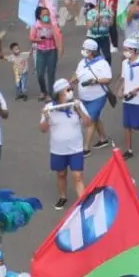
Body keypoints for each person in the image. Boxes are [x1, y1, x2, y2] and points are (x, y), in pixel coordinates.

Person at [41, 79, 90, 209]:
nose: (71, 92)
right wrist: (46, 117)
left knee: (78, 176)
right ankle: (63, 197)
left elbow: (88, 123)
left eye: (71, 89)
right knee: (61, 174)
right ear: (59, 94)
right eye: (68, 90)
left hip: (76, 148)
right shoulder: (49, 108)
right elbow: (43, 129)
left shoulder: (77, 104)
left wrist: (79, 110)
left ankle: (83, 203)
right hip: (58, 149)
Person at [74, 39, 113, 154]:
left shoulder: (102, 63)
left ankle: (86, 148)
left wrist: (95, 81)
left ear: (91, 51)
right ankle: (103, 138)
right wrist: (69, 82)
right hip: (84, 97)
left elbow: (108, 79)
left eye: (85, 49)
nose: (83, 51)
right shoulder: (82, 62)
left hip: (98, 97)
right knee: (95, 118)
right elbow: (77, 75)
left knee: (90, 120)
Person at [29, 7, 61, 101]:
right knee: (40, 74)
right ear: (39, 16)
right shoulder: (36, 25)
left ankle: (50, 94)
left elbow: (58, 35)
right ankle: (43, 91)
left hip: (52, 51)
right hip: (41, 52)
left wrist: (59, 47)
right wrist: (39, 39)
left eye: (48, 14)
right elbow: (31, 38)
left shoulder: (53, 24)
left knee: (51, 74)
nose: (46, 16)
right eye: (44, 15)